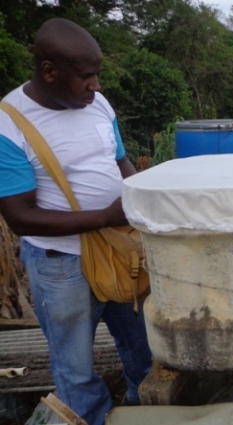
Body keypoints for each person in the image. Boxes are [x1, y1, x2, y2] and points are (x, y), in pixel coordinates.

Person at [0, 18, 152, 425]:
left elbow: (118, 159)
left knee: (143, 346)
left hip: (119, 250)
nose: (96, 86)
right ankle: (93, 418)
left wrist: (144, 194)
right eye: (86, 76)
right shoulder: (10, 124)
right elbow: (19, 216)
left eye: (96, 74)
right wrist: (104, 215)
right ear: (50, 71)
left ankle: (148, 412)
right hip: (61, 264)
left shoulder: (97, 104)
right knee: (74, 367)